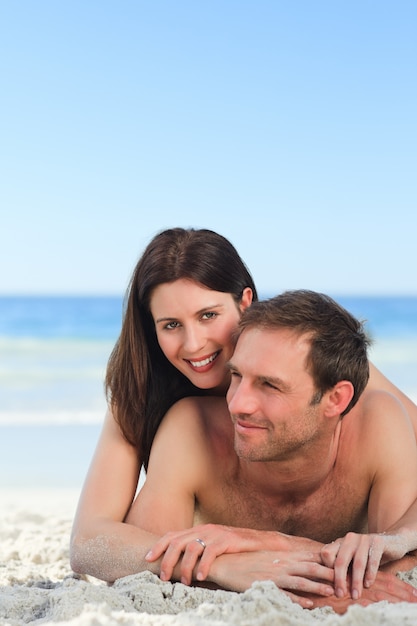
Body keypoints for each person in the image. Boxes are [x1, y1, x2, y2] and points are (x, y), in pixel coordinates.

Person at [70, 228, 417, 605]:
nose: (194, 343)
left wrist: (395, 537)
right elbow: (91, 541)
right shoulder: (151, 398)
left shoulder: (314, 363)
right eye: (170, 325)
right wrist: (218, 565)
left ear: (245, 303)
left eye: (208, 315)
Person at [125, 290, 417, 612]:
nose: (237, 405)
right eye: (236, 375)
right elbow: (140, 561)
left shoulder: (378, 425)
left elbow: (395, 570)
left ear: (336, 400)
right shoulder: (192, 430)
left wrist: (269, 544)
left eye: (269, 385)